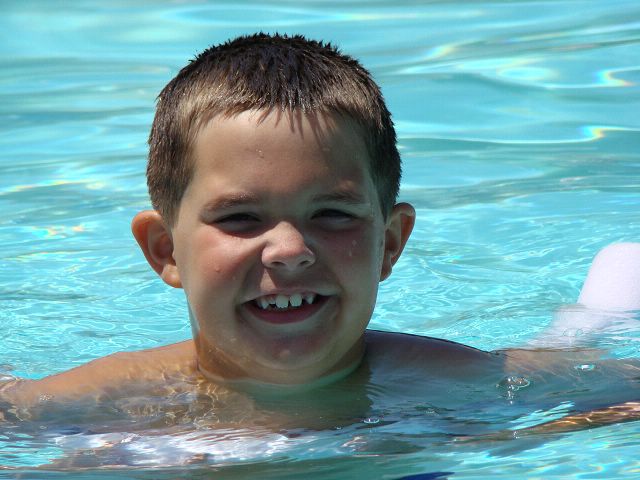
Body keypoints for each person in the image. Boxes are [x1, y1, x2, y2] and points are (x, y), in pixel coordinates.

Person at [1, 33, 639, 438]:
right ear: (165, 250)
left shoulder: (458, 385)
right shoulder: (97, 406)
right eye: (239, 218)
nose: (289, 249)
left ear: (390, 243)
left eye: (332, 214)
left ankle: (594, 318)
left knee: (561, 355)